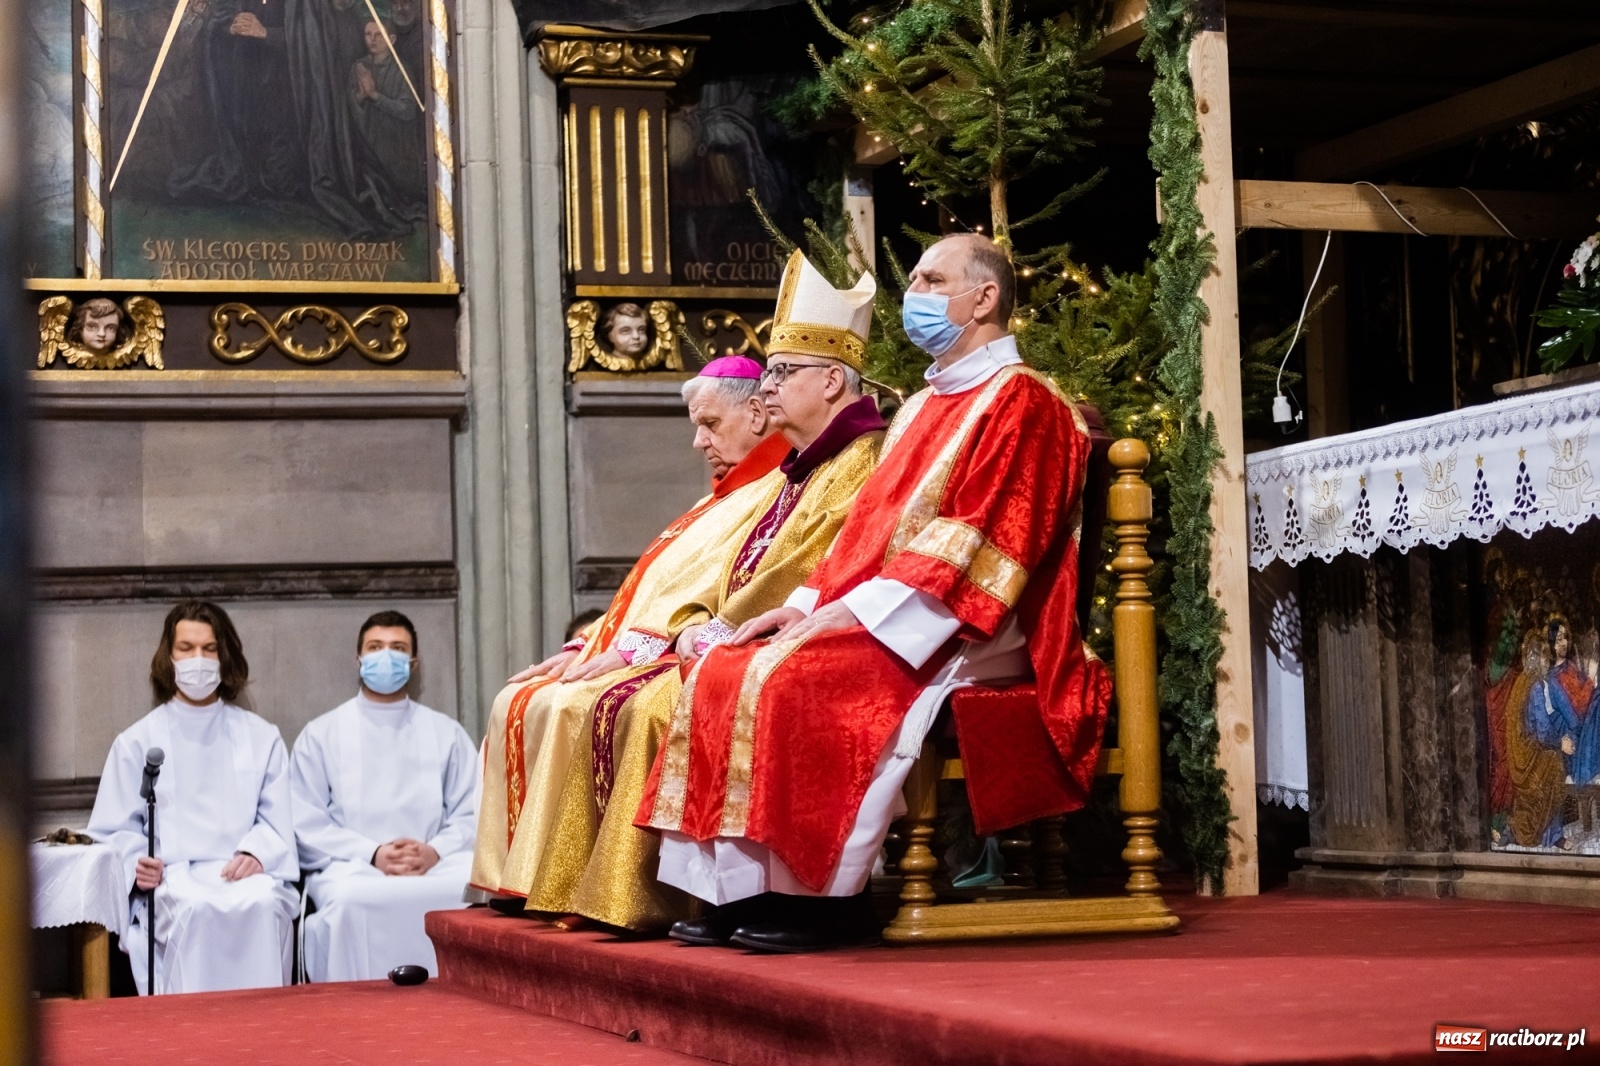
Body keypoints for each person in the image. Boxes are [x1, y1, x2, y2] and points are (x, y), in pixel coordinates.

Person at [638, 233, 1112, 952]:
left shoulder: (1026, 403)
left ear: (983, 298)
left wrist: (843, 619)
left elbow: (987, 541)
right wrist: (800, 607)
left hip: (973, 622)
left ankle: (825, 898)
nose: (914, 295)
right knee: (728, 664)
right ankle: (738, 889)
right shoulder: (922, 408)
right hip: (894, 605)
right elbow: (865, 533)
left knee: (793, 676)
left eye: (930, 279)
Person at [517, 251, 886, 931]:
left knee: (664, 702)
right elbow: (719, 573)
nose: (769, 390)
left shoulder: (860, 461)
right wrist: (689, 625)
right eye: (768, 373)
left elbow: (819, 571)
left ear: (833, 380)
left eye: (782, 372)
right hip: (748, 633)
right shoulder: (803, 469)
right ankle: (704, 890)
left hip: (819, 636)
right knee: (652, 693)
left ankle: (739, 892)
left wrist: (710, 630)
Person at [469, 355, 791, 897]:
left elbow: (731, 595)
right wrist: (586, 643)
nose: (697, 442)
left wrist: (637, 648)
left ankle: (595, 889)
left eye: (709, 424)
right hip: (651, 643)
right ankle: (522, 883)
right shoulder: (717, 497)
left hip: (697, 650)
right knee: (518, 698)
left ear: (758, 413)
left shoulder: (775, 491)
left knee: (577, 705)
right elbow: (647, 590)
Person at [86, 601, 298, 993]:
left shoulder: (260, 735)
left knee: (265, 904)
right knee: (197, 910)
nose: (197, 659)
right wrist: (138, 864)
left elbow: (277, 819)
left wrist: (257, 853)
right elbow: (113, 828)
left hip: (241, 871)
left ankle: (267, 1035)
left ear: (225, 656)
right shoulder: (136, 741)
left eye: (209, 648)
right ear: (169, 655)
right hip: (175, 876)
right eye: (186, 648)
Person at [290, 611, 478, 981]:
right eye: (375, 647)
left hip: (436, 863)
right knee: (349, 901)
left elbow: (474, 811)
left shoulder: (445, 732)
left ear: (413, 662)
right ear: (358, 659)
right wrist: (373, 853)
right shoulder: (322, 733)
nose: (386, 656)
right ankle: (352, 1012)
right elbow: (304, 820)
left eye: (398, 648)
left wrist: (433, 851)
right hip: (353, 864)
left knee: (468, 893)